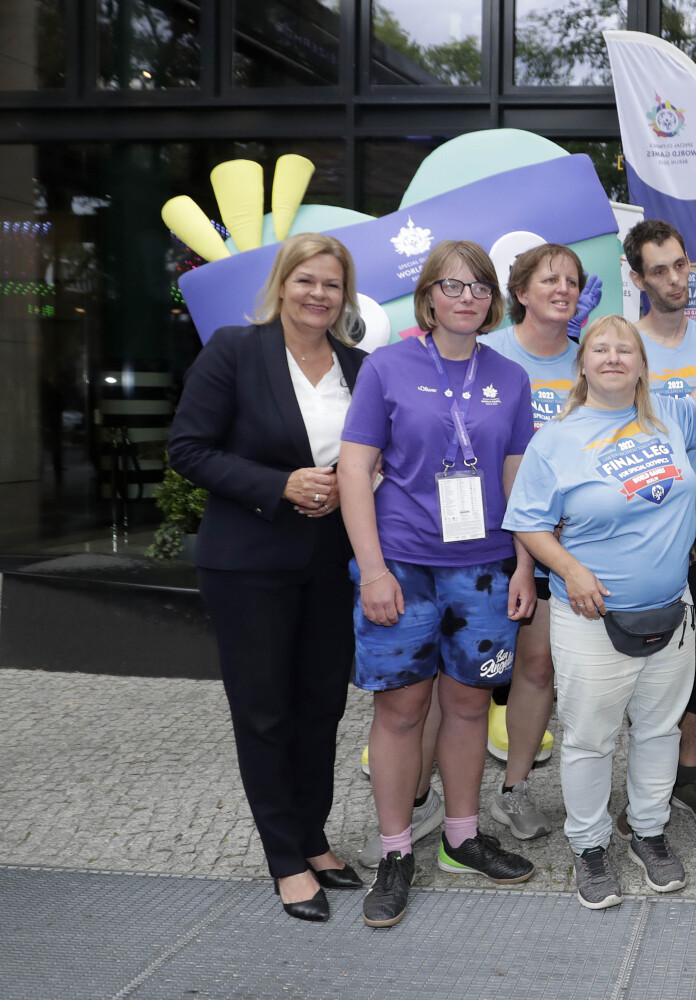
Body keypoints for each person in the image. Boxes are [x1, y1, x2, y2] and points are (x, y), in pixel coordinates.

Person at [503, 316, 696, 910]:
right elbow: (530, 520)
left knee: (660, 729)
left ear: (642, 364)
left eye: (625, 349)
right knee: (589, 739)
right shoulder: (555, 439)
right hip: (591, 618)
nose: (613, 357)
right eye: (600, 349)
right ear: (581, 364)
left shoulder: (671, 419)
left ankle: (648, 831)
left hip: (671, 612)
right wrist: (571, 570)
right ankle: (589, 846)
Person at [168, 232, 368, 922]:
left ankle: (312, 837)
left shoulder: (359, 365)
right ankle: (285, 858)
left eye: (332, 285)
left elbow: (373, 457)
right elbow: (187, 449)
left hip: (331, 562)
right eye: (307, 280)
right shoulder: (234, 350)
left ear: (346, 296)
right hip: (248, 561)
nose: (319, 295)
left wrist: (353, 484)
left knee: (321, 706)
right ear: (282, 284)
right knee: (264, 711)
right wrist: (278, 484)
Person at [339, 240, 538, 929]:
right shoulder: (385, 369)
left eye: (479, 287)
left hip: (483, 566)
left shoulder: (509, 378)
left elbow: (519, 481)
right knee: (400, 709)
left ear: (493, 301)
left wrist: (525, 563)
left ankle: (461, 835)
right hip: (402, 564)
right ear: (427, 297)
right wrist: (371, 569)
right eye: (452, 286)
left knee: (467, 704)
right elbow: (353, 471)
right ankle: (397, 852)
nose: (467, 297)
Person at [620, 219, 696, 834]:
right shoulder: (621, 345)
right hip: (640, 521)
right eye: (658, 270)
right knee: (641, 653)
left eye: (680, 265)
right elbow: (627, 432)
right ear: (637, 278)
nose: (674, 280)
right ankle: (645, 784)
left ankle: (687, 775)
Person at [478, 242, 588, 840]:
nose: (563, 289)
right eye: (549, 280)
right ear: (520, 291)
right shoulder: (488, 355)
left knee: (537, 664)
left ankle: (514, 789)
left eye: (571, 281)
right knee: (462, 678)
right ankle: (435, 798)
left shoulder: (589, 363)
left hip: (562, 547)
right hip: (485, 544)